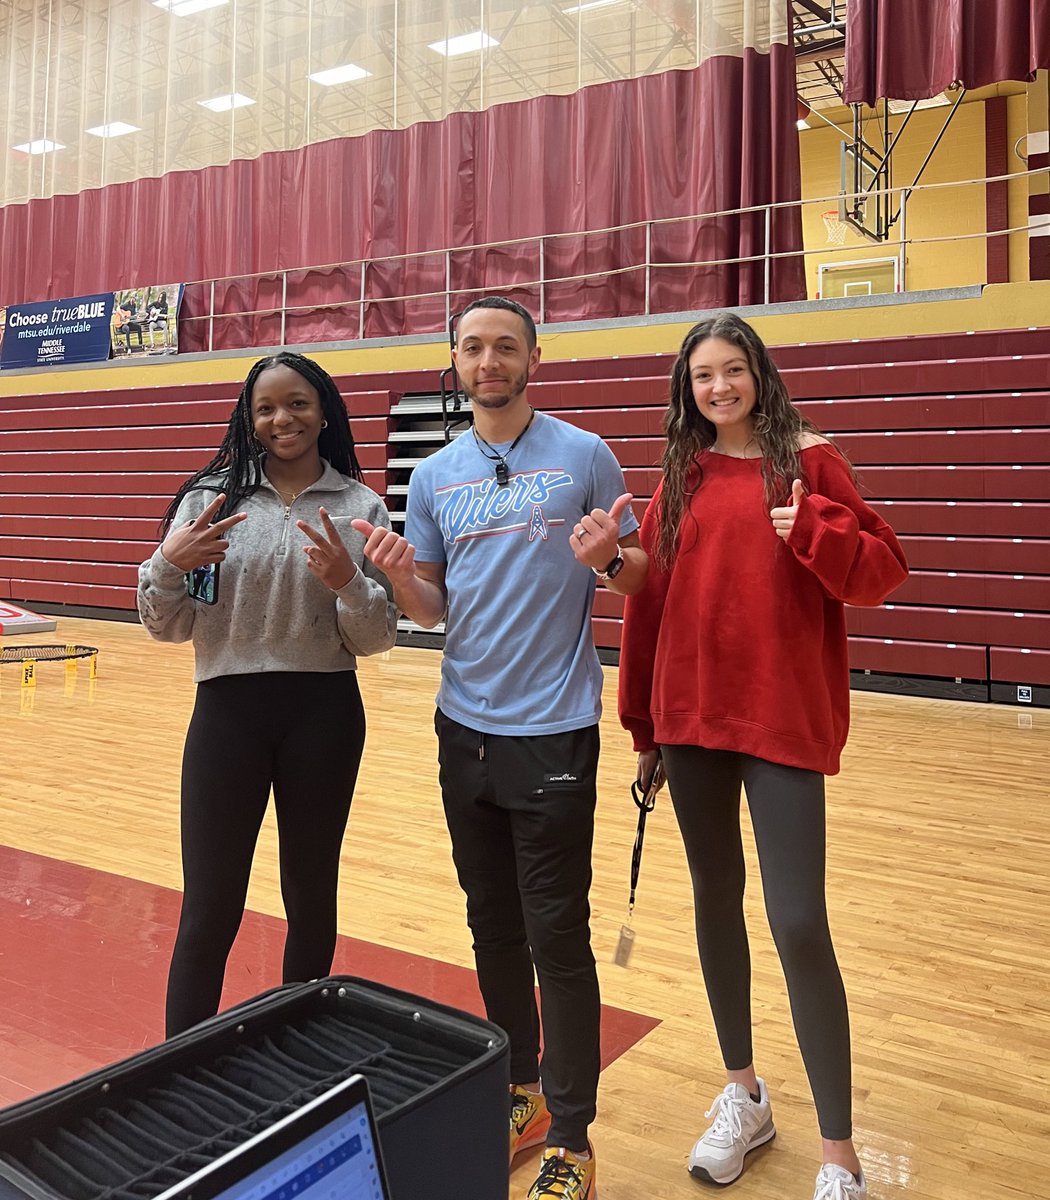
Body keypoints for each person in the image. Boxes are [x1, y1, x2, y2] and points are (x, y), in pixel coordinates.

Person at [351, 297, 646, 1200]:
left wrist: (607, 559)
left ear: (533, 358)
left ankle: (573, 1134)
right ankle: (519, 1089)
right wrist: (404, 582)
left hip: (553, 730)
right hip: (461, 730)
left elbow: (640, 579)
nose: (489, 360)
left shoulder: (584, 456)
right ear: (455, 358)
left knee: (559, 934)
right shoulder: (436, 473)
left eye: (505, 346)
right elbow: (436, 610)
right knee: (492, 923)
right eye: (474, 347)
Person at [618, 312, 908, 1200]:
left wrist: (815, 528)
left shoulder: (812, 462)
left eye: (732, 370)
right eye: (702, 376)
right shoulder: (681, 473)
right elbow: (652, 602)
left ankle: (839, 1154)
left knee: (798, 923)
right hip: (692, 720)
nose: (718, 388)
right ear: (687, 389)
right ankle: (743, 1094)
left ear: (759, 374)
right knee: (715, 904)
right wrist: (644, 727)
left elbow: (882, 570)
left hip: (778, 718)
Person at [138, 351, 397, 1038]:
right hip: (227, 716)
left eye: (298, 403)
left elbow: (375, 639)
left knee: (311, 897)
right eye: (266, 407)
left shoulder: (359, 506)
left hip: (324, 716)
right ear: (249, 421)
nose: (283, 418)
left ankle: (297, 1049)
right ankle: (177, 1067)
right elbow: (169, 627)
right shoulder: (210, 503)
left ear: (324, 412)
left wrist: (349, 581)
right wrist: (169, 564)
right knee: (211, 905)